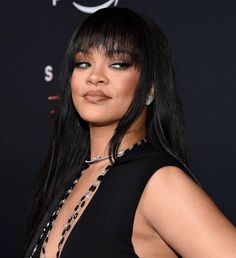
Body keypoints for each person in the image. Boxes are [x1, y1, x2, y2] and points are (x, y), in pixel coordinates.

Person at [23, 7, 236, 258]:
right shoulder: (73, 174)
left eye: (118, 64)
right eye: (83, 63)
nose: (95, 76)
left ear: (152, 87)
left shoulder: (160, 183)